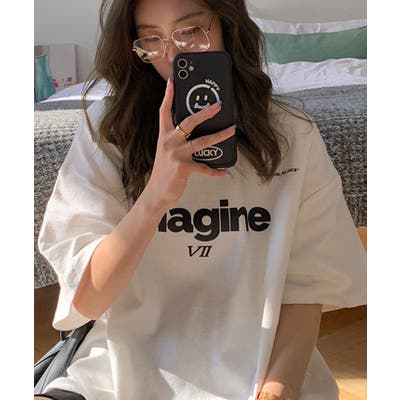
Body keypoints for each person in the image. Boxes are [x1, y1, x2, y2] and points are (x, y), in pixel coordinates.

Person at [34, 0, 367, 399]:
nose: (173, 56)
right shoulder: (107, 131)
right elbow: (87, 301)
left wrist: (276, 393)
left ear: (229, 27)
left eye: (191, 31)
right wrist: (155, 197)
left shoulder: (292, 134)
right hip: (117, 372)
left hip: (262, 370)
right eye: (151, 39)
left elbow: (306, 289)